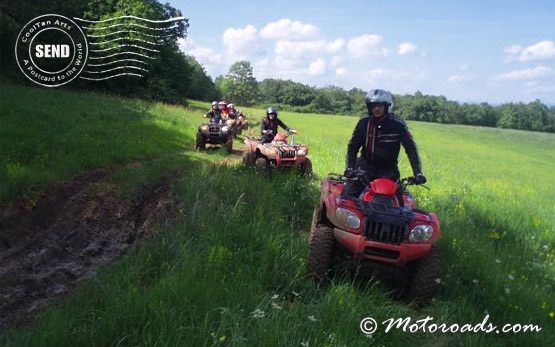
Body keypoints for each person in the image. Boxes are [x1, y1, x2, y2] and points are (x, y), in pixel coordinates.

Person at [342, 89, 426, 203]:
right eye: (373, 105)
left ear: (387, 106)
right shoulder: (364, 122)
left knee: (398, 206)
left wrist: (418, 173)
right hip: (365, 167)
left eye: (380, 105)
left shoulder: (398, 124)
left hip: (389, 171)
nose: (376, 109)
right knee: (347, 199)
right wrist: (350, 168)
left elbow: (411, 149)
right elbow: (352, 147)